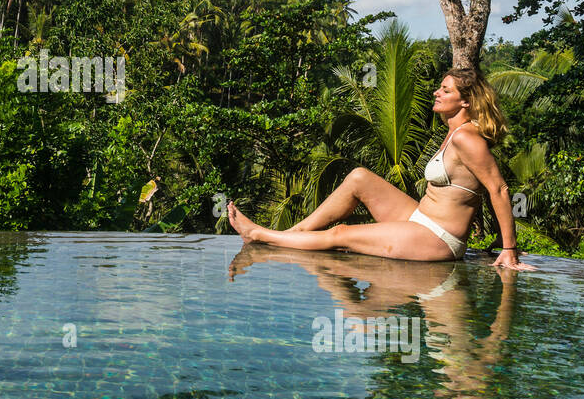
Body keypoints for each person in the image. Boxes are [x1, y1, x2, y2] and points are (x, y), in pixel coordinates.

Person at [226, 66, 536, 269]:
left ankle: (261, 235)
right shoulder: (453, 132)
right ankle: (294, 233)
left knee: (342, 234)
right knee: (359, 177)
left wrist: (509, 248)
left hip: (439, 237)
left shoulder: (468, 138)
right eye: (439, 88)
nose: (436, 93)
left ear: (465, 102)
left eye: (445, 90)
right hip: (420, 218)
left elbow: (498, 188)